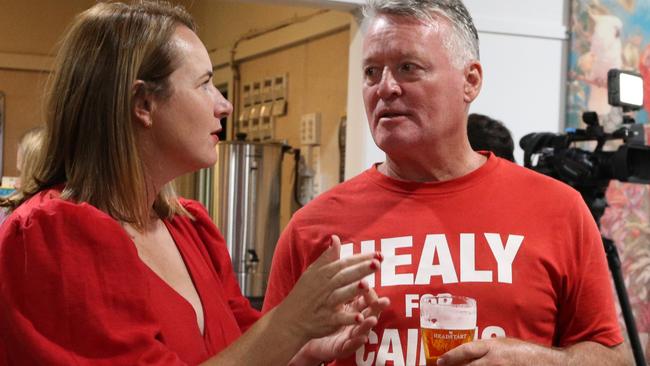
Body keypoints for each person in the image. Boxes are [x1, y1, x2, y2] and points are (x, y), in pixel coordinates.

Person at [0, 2, 390, 365]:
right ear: (143, 104)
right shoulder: (50, 237)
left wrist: (303, 350)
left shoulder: (192, 229)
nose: (224, 105)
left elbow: (244, 349)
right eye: (204, 84)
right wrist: (290, 321)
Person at [263, 0, 629, 365]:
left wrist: (539, 360)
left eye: (409, 68)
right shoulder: (313, 229)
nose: (385, 88)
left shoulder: (558, 210)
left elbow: (613, 358)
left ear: (470, 81)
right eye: (372, 71)